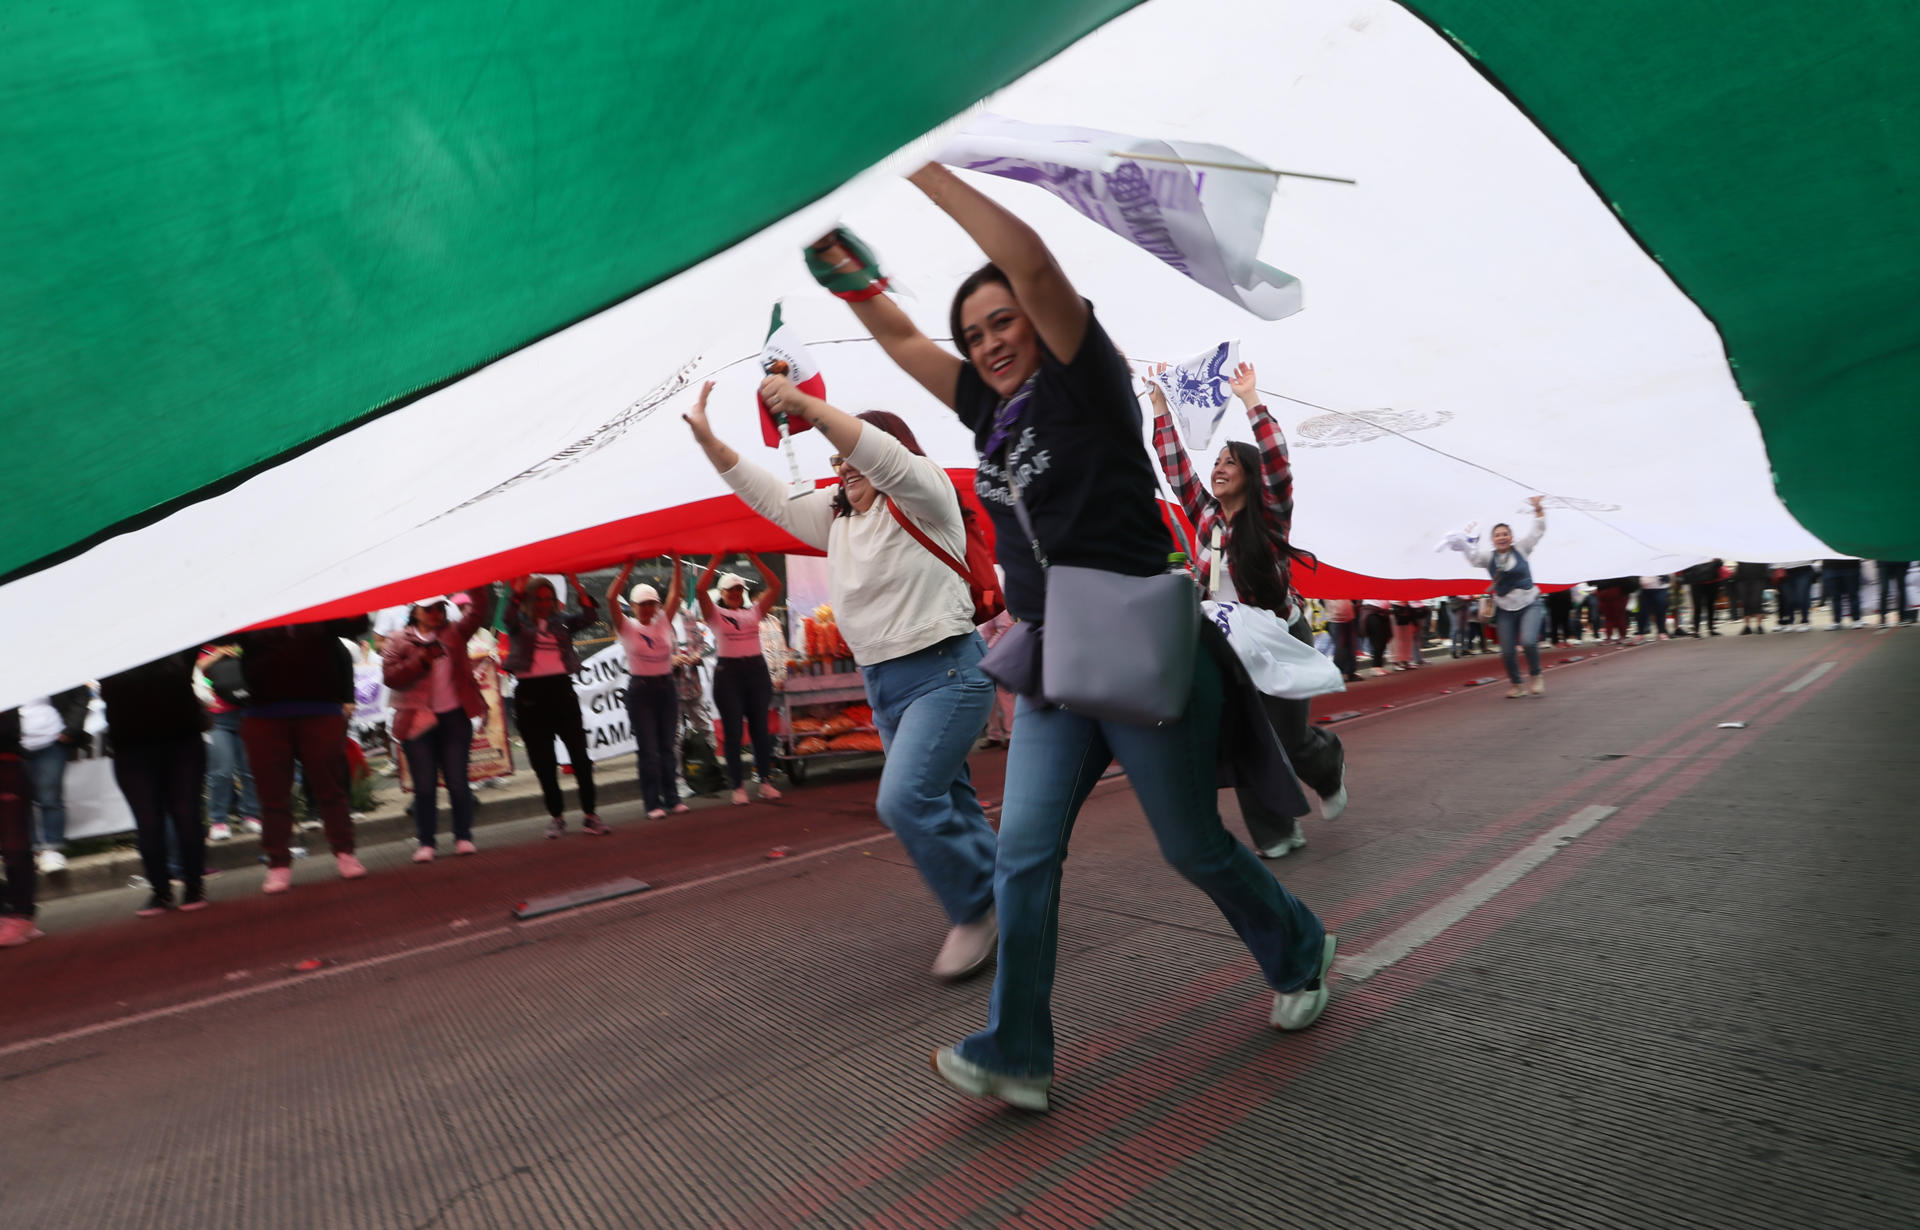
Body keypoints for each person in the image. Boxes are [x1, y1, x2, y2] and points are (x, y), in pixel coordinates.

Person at [812, 162, 1335, 1111]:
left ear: (1042, 319)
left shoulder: (1088, 379)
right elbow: (897, 339)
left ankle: (1300, 947)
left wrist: (913, 163)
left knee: (1192, 848)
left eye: (1002, 321)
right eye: (974, 335)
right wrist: (856, 287)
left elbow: (1034, 264)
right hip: (1051, 657)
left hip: (1136, 640)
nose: (990, 342)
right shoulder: (987, 408)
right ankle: (1018, 1050)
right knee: (1022, 851)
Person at [689, 375, 1001, 980]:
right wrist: (709, 440)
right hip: (885, 688)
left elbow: (879, 454)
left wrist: (808, 407)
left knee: (906, 799)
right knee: (951, 805)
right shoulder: (839, 522)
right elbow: (770, 497)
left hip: (946, 673)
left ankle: (976, 912)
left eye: (852, 456)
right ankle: (1017, 896)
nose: (843, 466)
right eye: (837, 462)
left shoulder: (925, 496)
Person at [1146, 357, 1348, 857]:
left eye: (1229, 463)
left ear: (1250, 475)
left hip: (1281, 637)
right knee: (1246, 740)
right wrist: (1158, 405)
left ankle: (1327, 765)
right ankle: (1277, 833)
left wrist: (1251, 400)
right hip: (1228, 643)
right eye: (1215, 463)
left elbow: (1279, 460)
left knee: (1289, 740)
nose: (1217, 470)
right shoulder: (1203, 514)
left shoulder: (1272, 513)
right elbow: (1175, 469)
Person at [236, 616, 370, 893]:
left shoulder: (317, 600)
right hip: (265, 714)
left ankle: (345, 851)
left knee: (331, 787)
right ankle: (278, 863)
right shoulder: (252, 604)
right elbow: (219, 634)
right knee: (272, 795)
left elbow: (356, 624)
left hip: (320, 709)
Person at [384, 589, 496, 861]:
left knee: (458, 782)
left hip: (454, 719)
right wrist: (422, 660)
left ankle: (463, 836)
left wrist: (475, 582)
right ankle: (426, 842)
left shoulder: (456, 632)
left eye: (440, 608)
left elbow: (479, 611)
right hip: (415, 721)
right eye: (429, 608)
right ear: (415, 611)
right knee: (424, 786)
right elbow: (391, 677)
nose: (436, 614)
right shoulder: (398, 639)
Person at [99, 650, 211, 915]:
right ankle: (160, 891)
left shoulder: (174, 645)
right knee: (148, 822)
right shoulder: (104, 652)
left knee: (186, 815)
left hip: (181, 742)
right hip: (132, 748)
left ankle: (193, 885)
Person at [502, 575, 609, 837]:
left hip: (561, 691)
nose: (544, 604)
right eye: (538, 599)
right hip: (530, 696)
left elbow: (590, 616)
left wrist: (575, 582)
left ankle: (590, 815)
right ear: (529, 600)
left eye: (548, 599)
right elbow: (507, 617)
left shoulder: (562, 621)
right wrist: (516, 591)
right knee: (543, 762)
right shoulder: (519, 623)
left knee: (580, 757)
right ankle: (557, 816)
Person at [696, 554, 785, 806]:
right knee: (734, 732)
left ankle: (765, 782)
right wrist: (715, 559)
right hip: (729, 675)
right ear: (722, 592)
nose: (736, 594)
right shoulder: (714, 614)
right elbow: (701, 589)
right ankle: (738, 786)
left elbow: (775, 586)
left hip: (756, 672)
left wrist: (754, 557)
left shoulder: (754, 612)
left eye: (739, 590)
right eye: (731, 590)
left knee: (761, 730)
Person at [609, 557, 690, 820]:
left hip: (666, 687)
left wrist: (677, 562)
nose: (647, 609)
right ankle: (652, 802)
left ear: (656, 605)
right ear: (632, 606)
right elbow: (610, 598)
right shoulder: (627, 627)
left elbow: (676, 594)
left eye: (651, 604)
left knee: (667, 746)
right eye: (642, 605)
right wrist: (627, 568)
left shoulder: (663, 622)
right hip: (641, 691)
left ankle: (672, 798)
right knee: (649, 750)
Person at [1448, 498, 1549, 696]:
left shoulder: (1521, 548)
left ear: (1511, 537)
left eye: (1505, 534)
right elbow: (1473, 559)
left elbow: (1537, 531)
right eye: (1497, 535)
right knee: (1507, 650)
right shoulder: (1488, 557)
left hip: (1529, 603)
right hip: (1505, 609)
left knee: (1528, 642)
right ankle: (1516, 684)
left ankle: (1536, 675)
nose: (1502, 537)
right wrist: (1466, 543)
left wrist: (1538, 509)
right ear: (1493, 540)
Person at [16, 686, 90, 873]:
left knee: (50, 794)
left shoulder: (50, 662)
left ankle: (52, 848)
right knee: (19, 798)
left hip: (52, 740)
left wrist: (70, 730)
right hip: (14, 744)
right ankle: (30, 850)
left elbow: (79, 692)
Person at [194, 644, 260, 841]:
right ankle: (219, 820)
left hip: (247, 713)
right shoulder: (198, 648)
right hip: (216, 718)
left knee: (251, 769)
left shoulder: (241, 644)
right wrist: (217, 655)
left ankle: (251, 815)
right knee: (221, 771)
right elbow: (193, 669)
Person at [0, 708, 42, 947]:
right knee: (14, 843)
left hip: (7, 765)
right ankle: (12, 910)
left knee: (14, 844)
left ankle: (21, 914)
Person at [1683, 560, 1724, 637]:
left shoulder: (1711, 553)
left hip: (1710, 582)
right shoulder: (1694, 555)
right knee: (1699, 606)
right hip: (1698, 583)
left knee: (1710, 606)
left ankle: (1708, 629)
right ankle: (1697, 630)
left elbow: (1720, 563)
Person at [1325, 598, 1363, 679]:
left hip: (1349, 617)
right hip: (1335, 619)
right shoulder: (1325, 588)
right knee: (1340, 648)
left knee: (1351, 646)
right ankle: (1338, 673)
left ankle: (1351, 672)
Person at [1820, 558, 1862, 629]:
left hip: (1850, 565)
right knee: (1834, 596)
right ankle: (1836, 621)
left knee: (1853, 594)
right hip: (1830, 566)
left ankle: (1856, 620)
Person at [1730, 561, 1770, 634]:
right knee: (1745, 602)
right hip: (1742, 578)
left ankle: (1759, 626)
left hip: (1758, 577)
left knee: (1756, 601)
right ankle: (1747, 627)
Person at [1774, 561, 1815, 631]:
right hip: (1786, 571)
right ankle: (1790, 622)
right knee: (1789, 599)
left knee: (1801, 596)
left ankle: (1805, 622)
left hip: (1803, 569)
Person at [1594, 577, 1635, 644]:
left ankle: (1611, 637)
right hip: (1614, 590)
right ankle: (1620, 636)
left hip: (1608, 590)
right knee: (1617, 616)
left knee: (1612, 616)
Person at [1636, 574, 1672, 641]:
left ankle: (1662, 632)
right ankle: (1640, 633)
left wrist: (1663, 578)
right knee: (1642, 611)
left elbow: (1667, 575)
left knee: (1660, 610)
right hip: (1645, 589)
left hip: (1660, 588)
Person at [1874, 561, 1909, 626]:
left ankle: (1902, 617)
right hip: (1883, 560)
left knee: (1901, 588)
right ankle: (1882, 618)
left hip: (1900, 560)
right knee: (1884, 589)